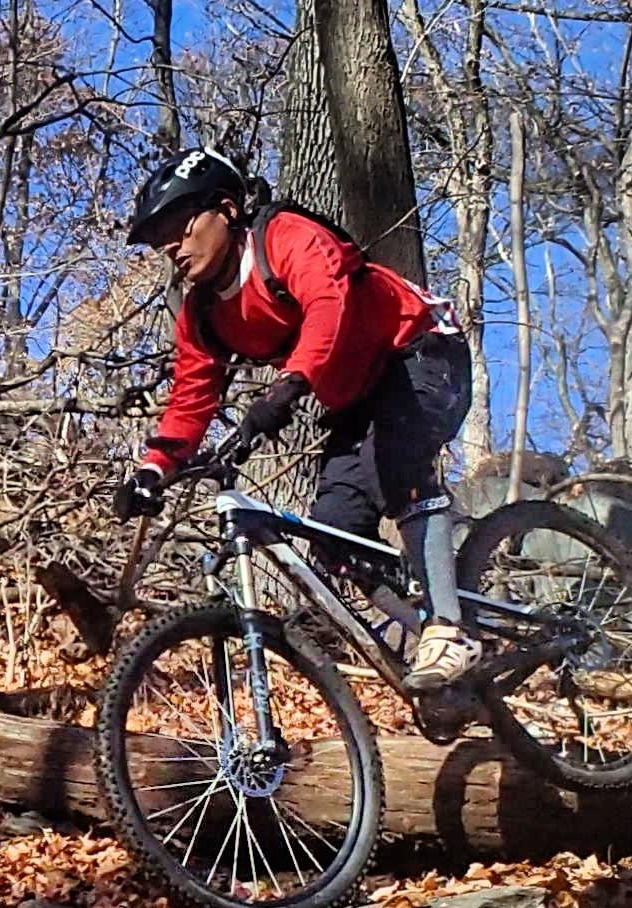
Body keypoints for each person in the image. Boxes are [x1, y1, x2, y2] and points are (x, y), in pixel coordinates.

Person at [115, 145, 481, 690]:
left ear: (227, 209)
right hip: (357, 399)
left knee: (400, 460)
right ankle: (430, 640)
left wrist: (289, 386)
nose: (171, 245)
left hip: (422, 352)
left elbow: (328, 307)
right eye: (158, 238)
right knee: (333, 537)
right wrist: (151, 471)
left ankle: (449, 632)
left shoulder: (285, 238)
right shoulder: (204, 315)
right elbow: (191, 396)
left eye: (180, 225)